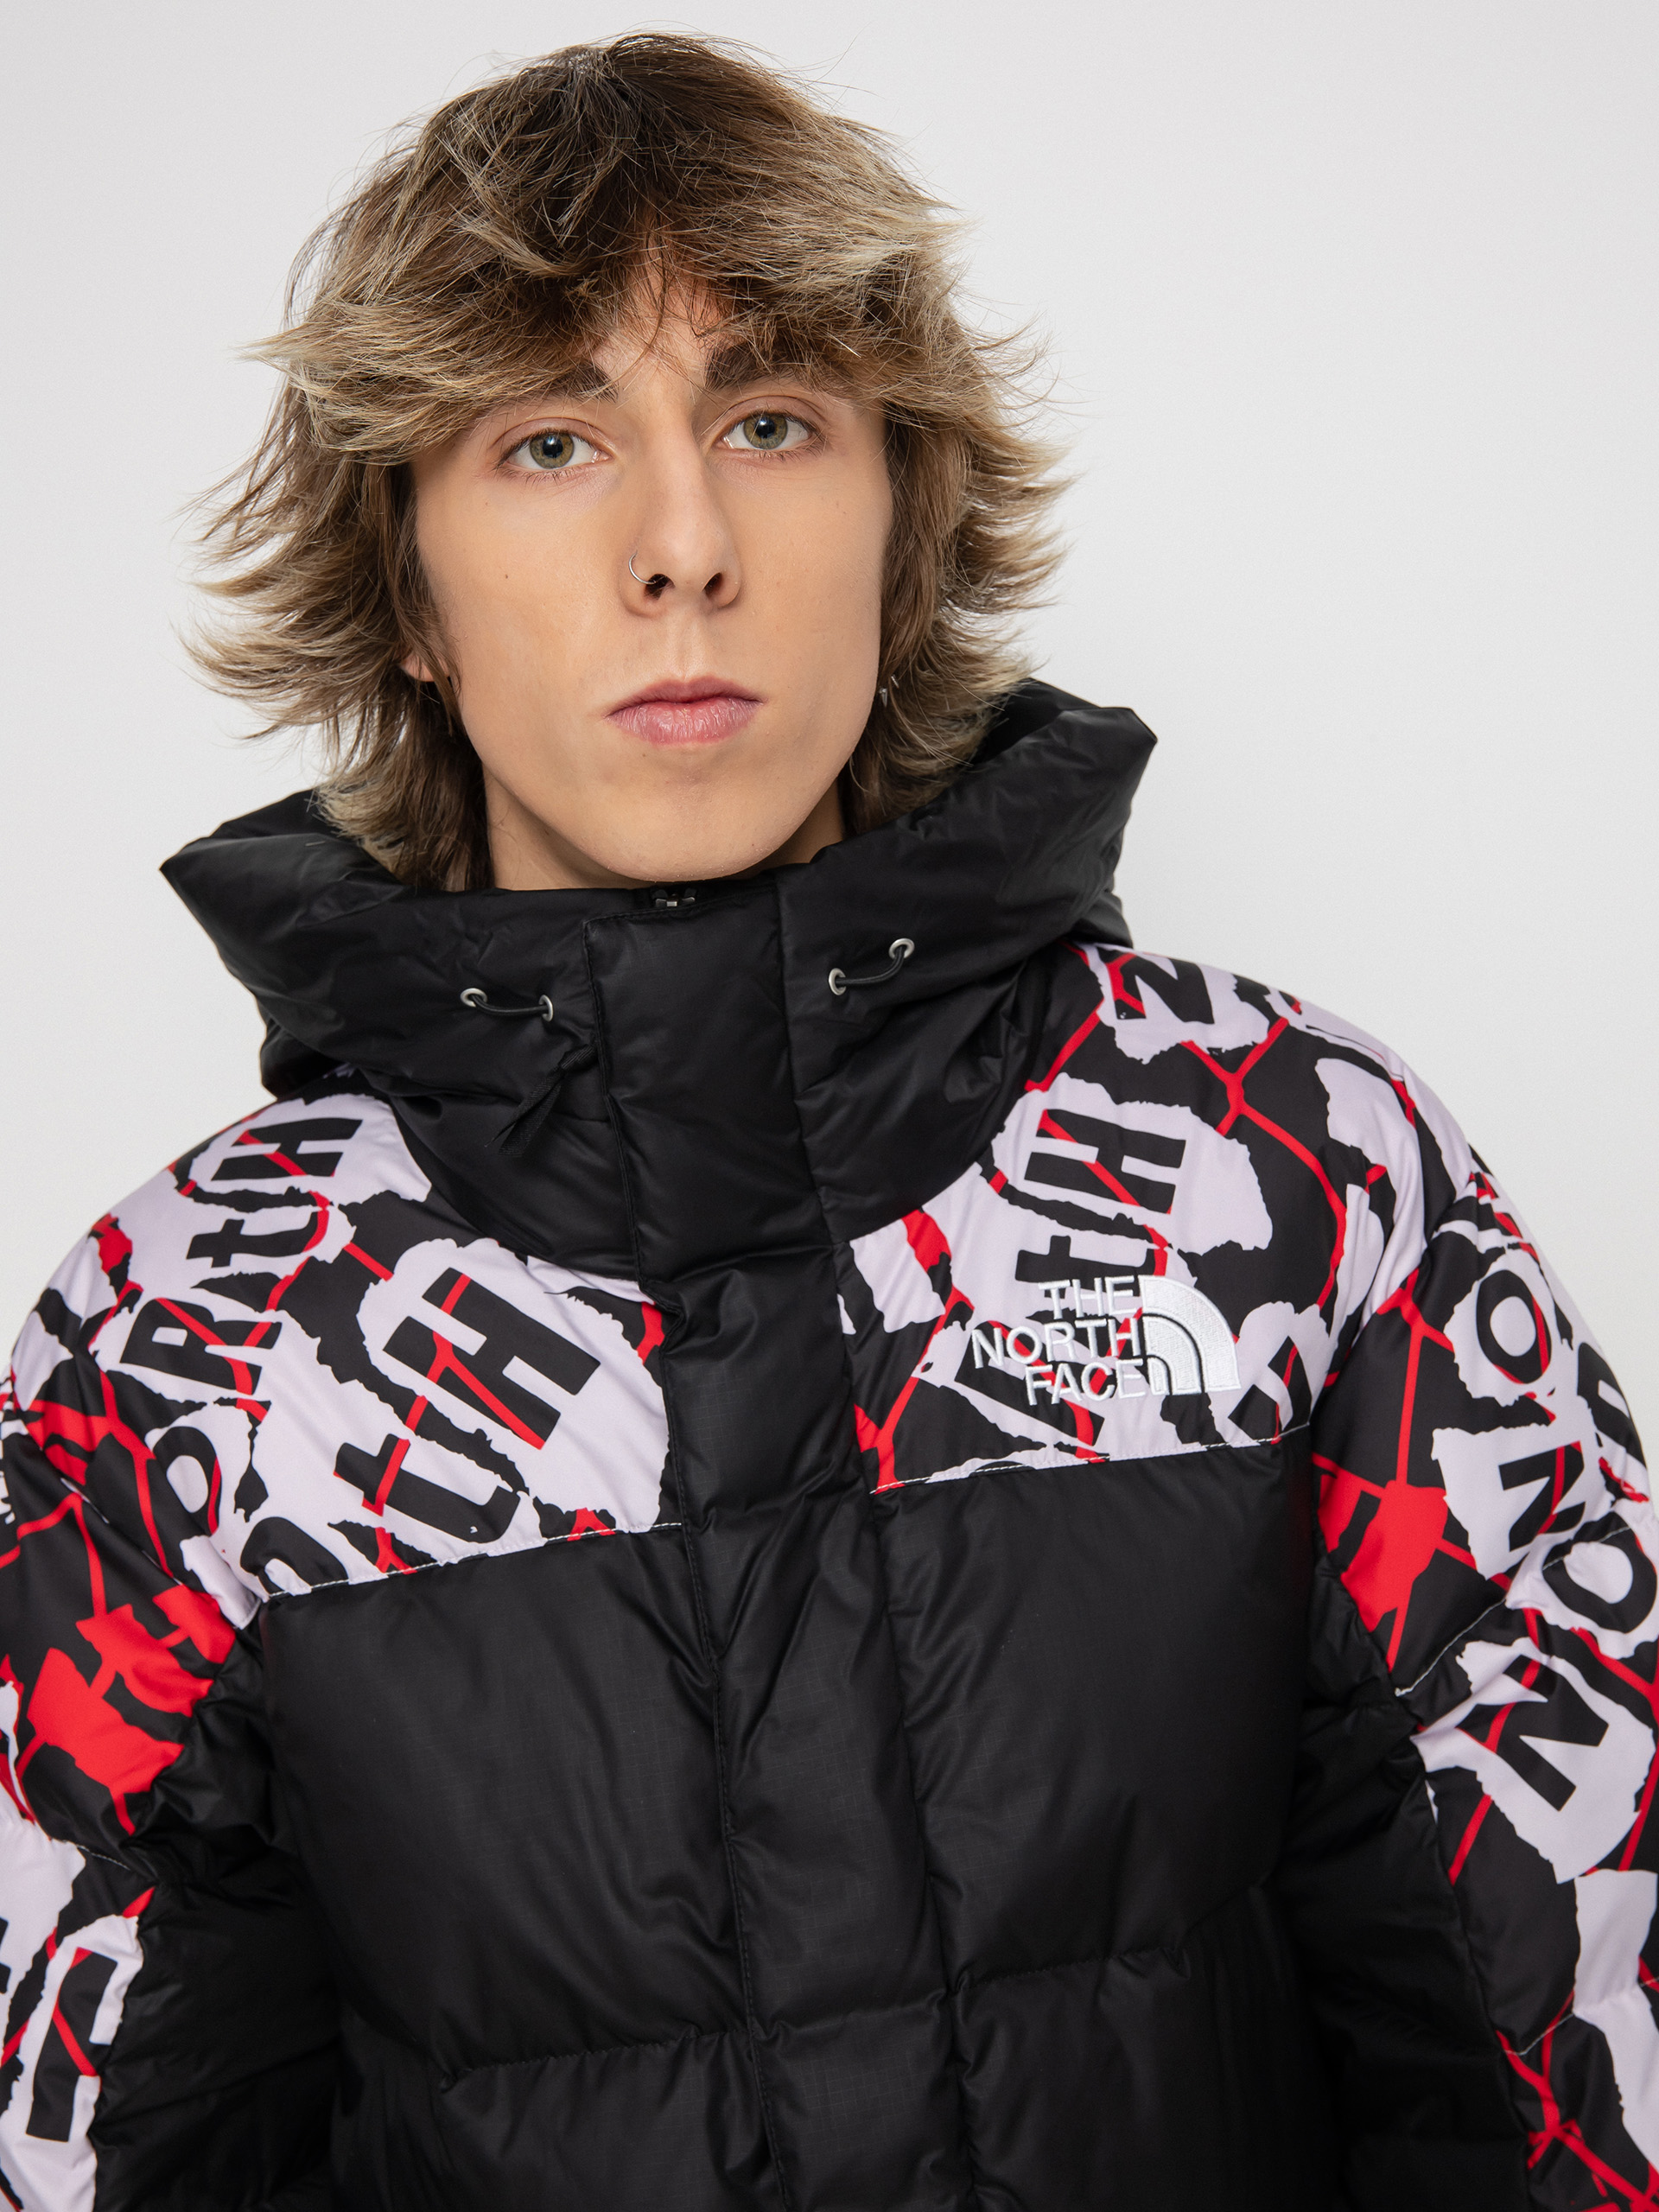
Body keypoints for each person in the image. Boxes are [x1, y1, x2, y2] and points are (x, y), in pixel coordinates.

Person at [0, 31, 1650, 2212]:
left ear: (905, 516)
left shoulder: (1297, 1174)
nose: (683, 545)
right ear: (405, 587)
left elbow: (1561, 2054)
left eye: (772, 420)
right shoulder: (185, 1342)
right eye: (551, 439)